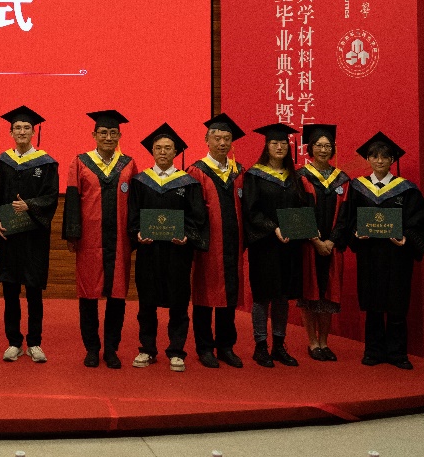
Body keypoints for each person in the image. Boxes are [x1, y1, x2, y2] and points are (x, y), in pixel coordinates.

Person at [331, 131, 424, 368]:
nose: (380, 161)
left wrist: (406, 239)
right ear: (368, 159)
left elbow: (418, 222)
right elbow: (348, 218)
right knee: (373, 305)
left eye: (385, 157)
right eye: (374, 156)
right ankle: (373, 351)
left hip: (397, 257)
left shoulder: (407, 190)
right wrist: (356, 234)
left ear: (392, 160)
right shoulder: (358, 187)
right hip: (370, 255)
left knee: (397, 305)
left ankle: (397, 354)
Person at [127, 123, 207, 373]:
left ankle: (176, 351)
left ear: (175, 152)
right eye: (158, 148)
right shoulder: (140, 182)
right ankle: (147, 349)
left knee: (179, 303)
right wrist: (137, 233)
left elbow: (197, 217)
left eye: (168, 148)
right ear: (152, 151)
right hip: (149, 251)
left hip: (177, 252)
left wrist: (187, 236)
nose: (163, 152)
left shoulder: (188, 183)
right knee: (146, 303)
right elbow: (132, 214)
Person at [61, 110, 137, 368]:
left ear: (120, 136)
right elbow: (73, 199)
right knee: (88, 295)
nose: (108, 137)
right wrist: (72, 233)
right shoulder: (80, 162)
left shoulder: (128, 164)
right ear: (94, 135)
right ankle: (92, 348)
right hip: (90, 240)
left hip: (119, 240)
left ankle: (111, 349)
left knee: (117, 296)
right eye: (103, 133)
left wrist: (135, 234)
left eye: (113, 133)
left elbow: (134, 202)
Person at [0, 105, 60, 363]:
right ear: (11, 133)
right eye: (17, 128)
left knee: (33, 291)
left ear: (33, 132)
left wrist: (29, 205)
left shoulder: (47, 163)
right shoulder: (3, 161)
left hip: (34, 237)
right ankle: (13, 342)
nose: (22, 131)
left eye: (26, 128)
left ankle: (34, 342)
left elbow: (51, 197)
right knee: (10, 291)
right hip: (10, 234)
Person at [242, 122, 308, 367]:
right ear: (266, 146)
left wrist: (303, 228)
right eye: (274, 143)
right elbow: (251, 211)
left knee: (282, 296)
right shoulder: (254, 176)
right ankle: (260, 346)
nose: (279, 146)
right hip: (265, 245)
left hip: (289, 245)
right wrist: (273, 228)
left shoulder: (294, 177)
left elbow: (301, 208)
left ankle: (279, 345)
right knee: (263, 295)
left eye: (283, 143)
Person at [189, 112, 246, 368]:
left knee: (229, 296)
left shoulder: (239, 171)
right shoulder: (197, 171)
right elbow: (192, 212)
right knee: (204, 296)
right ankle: (204, 347)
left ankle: (225, 346)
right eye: (217, 138)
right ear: (207, 140)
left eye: (226, 138)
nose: (222, 143)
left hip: (233, 244)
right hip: (207, 246)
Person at [296, 123, 347, 362]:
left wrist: (332, 241)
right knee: (309, 293)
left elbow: (347, 215)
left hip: (332, 248)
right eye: (319, 145)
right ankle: (312, 342)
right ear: (310, 148)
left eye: (328, 146)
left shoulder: (342, 180)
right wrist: (316, 241)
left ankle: (324, 342)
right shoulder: (301, 177)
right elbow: (300, 212)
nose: (324, 150)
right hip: (309, 246)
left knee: (328, 295)